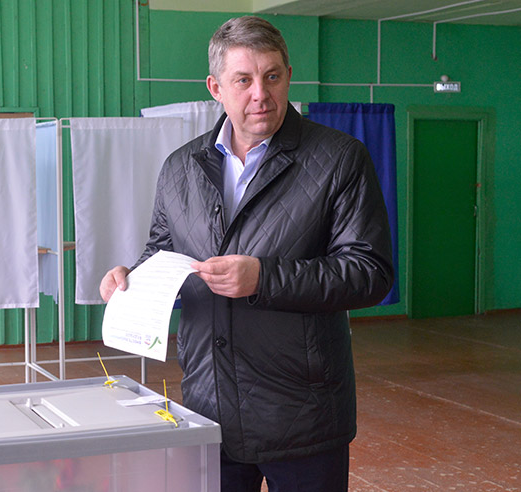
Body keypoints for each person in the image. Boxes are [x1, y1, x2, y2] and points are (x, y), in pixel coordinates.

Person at [100, 15, 394, 492]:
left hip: (303, 415)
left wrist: (263, 278)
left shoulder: (340, 159)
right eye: (244, 80)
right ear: (216, 87)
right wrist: (129, 278)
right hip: (208, 406)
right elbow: (161, 253)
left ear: (288, 76)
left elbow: (369, 272)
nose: (261, 93)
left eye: (272, 76)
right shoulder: (180, 168)